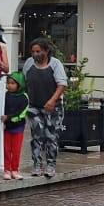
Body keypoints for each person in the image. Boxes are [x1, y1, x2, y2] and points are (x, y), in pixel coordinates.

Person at [22, 38, 67, 179]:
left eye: (38, 51)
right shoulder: (29, 64)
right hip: (34, 106)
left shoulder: (55, 64)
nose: (35, 54)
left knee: (51, 137)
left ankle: (51, 165)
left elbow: (62, 84)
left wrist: (52, 100)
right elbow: (24, 82)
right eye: (33, 51)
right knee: (37, 136)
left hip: (53, 107)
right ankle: (36, 165)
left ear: (46, 51)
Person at [3, 72, 29, 180]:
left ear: (19, 84)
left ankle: (15, 170)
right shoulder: (5, 95)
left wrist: (8, 117)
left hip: (18, 127)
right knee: (6, 149)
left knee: (16, 150)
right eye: (8, 83)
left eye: (13, 83)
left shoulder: (24, 97)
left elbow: (21, 113)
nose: (10, 85)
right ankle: (7, 170)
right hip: (7, 128)